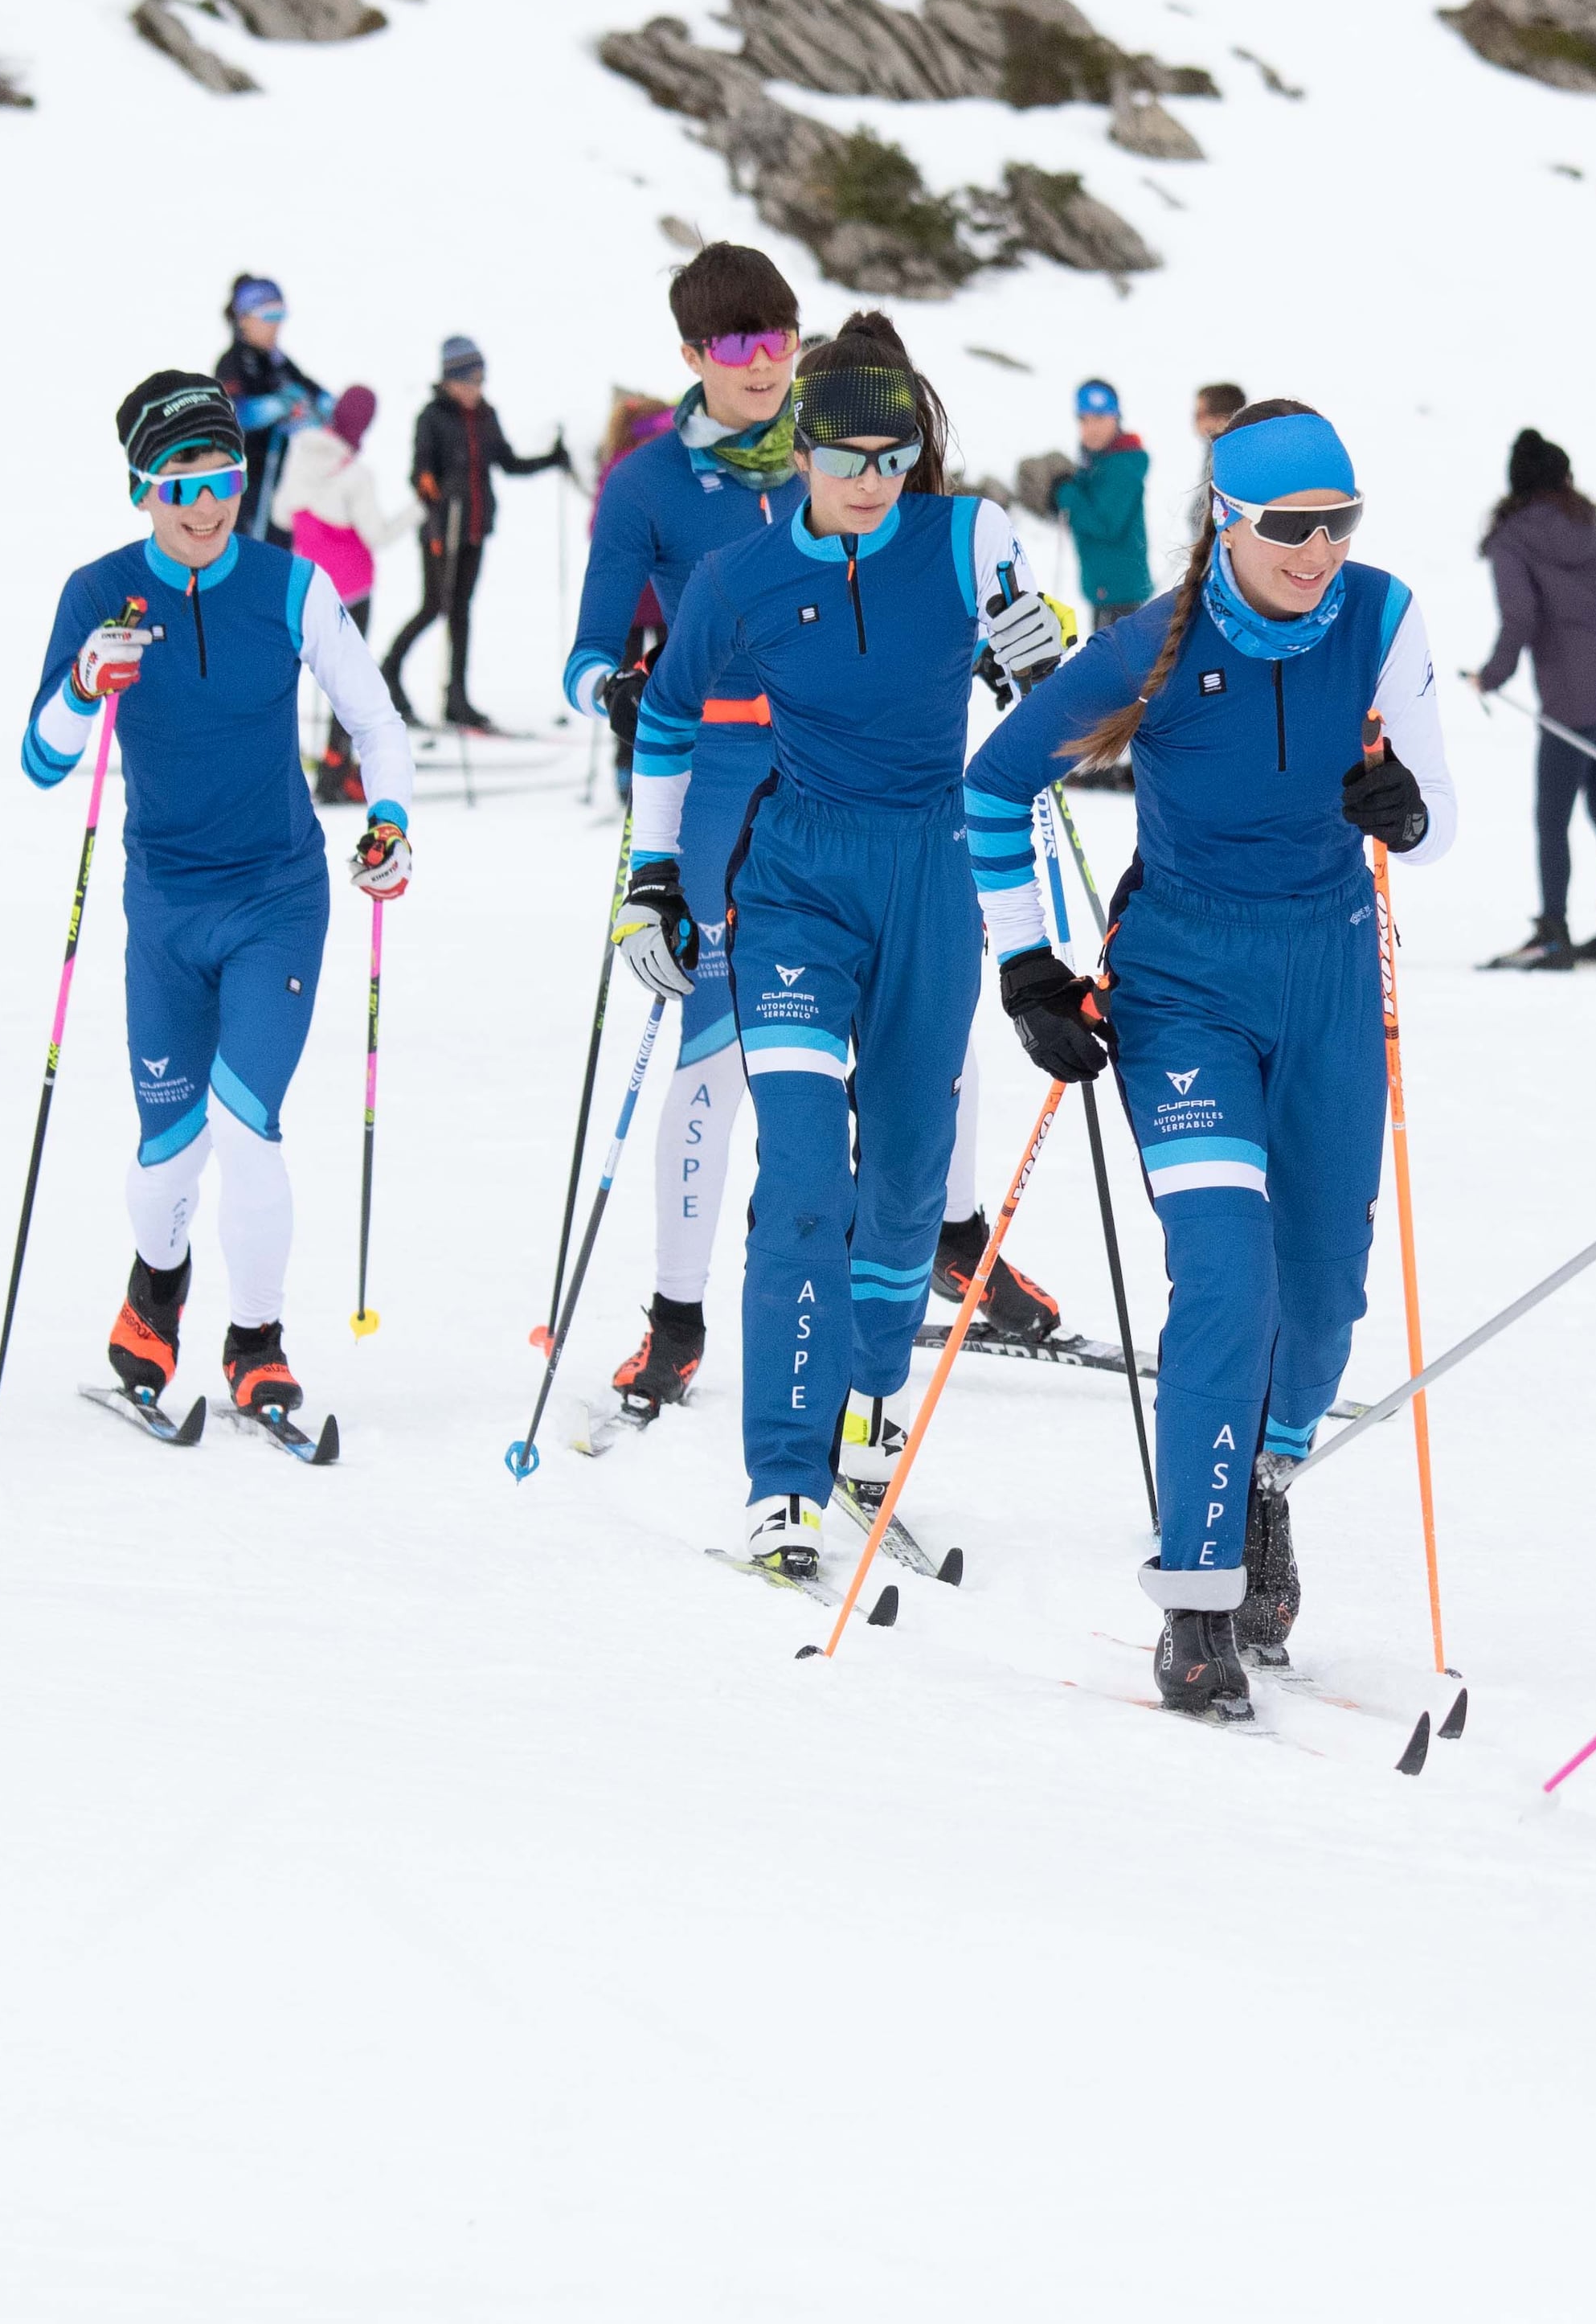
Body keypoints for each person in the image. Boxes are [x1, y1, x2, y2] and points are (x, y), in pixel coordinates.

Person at [964, 398, 1455, 1718]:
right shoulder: (1151, 646)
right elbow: (994, 783)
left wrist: (1403, 806)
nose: (1319, 552)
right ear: (1226, 522)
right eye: (1291, 527)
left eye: (1339, 524)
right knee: (1227, 1275)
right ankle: (1195, 1598)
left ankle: (1264, 1480)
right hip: (1185, 980)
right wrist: (1026, 965)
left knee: (1326, 1292)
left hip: (1332, 973)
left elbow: (1441, 814)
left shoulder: (1382, 615)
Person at [610, 314, 1072, 1580]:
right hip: (800, 879)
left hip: (933, 874)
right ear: (800, 451)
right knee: (806, 1174)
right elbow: (666, 716)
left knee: (910, 1181)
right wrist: (654, 878)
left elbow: (1044, 674)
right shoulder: (740, 581)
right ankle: (781, 1477)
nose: (874, 477)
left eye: (895, 452)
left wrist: (1043, 660)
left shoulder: (967, 535)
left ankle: (869, 1408)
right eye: (849, 454)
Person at [23, 371, 420, 1433]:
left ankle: (258, 1346)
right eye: (182, 483)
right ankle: (157, 1289)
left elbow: (377, 724)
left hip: (277, 896)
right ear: (142, 489)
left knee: (248, 1122)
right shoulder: (98, 593)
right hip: (163, 908)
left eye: (226, 479)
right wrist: (79, 686)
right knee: (167, 1155)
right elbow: (41, 762)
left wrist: (390, 822)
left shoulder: (290, 589)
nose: (207, 506)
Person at [563, 247, 808, 1423]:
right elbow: (587, 648)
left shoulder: (843, 458)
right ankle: (675, 1319)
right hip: (711, 777)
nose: (762, 365)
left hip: (840, 778)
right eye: (734, 345)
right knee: (712, 1055)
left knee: (871, 1052)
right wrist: (615, 687)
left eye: (778, 340)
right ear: (693, 358)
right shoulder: (649, 482)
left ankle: (903, 1255)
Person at [1474, 428, 1596, 972]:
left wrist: (1492, 674)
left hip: (1572, 699)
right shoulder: (1589, 526)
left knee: (1553, 815)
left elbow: (1520, 615)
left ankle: (1554, 932)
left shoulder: (1513, 537)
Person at [391, 334, 569, 730]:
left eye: (480, 381)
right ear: (449, 381)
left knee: (460, 614)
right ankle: (388, 673)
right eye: (468, 382)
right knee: (435, 605)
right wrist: (434, 495)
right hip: (442, 529)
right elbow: (419, 473)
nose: (475, 389)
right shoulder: (432, 417)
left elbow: (508, 463)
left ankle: (457, 699)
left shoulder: (486, 416)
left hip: (473, 528)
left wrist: (552, 459)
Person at [272, 381, 385, 804]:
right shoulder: (357, 474)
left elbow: (282, 514)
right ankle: (337, 769)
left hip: (309, 583)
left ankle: (297, 759)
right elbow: (376, 534)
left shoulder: (302, 455)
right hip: (354, 588)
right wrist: (420, 512)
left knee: (302, 670)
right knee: (347, 679)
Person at [215, 274, 334, 552]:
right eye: (269, 315)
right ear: (244, 319)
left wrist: (323, 407)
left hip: (281, 475)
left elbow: (315, 394)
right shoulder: (233, 362)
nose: (277, 324)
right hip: (243, 478)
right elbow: (232, 411)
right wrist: (273, 407)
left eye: (281, 314)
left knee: (278, 547)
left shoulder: (278, 361)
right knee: (247, 548)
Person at [1051, 379, 1152, 624]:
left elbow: (1106, 524)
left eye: (1100, 418)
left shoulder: (1122, 465)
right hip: (1106, 587)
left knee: (1117, 660)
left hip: (1120, 590)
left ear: (1116, 418)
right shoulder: (1097, 462)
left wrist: (1065, 494)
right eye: (1084, 420)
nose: (1091, 428)